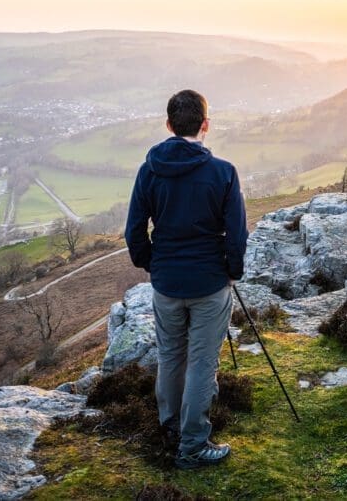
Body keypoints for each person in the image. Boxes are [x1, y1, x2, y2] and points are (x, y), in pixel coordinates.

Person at [124, 89, 248, 469]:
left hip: (166, 283)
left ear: (169, 125)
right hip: (209, 283)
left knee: (170, 356)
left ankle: (172, 427)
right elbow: (237, 233)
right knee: (201, 362)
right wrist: (231, 270)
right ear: (205, 124)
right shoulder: (222, 173)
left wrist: (153, 265)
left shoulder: (149, 171)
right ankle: (193, 445)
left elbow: (134, 231)